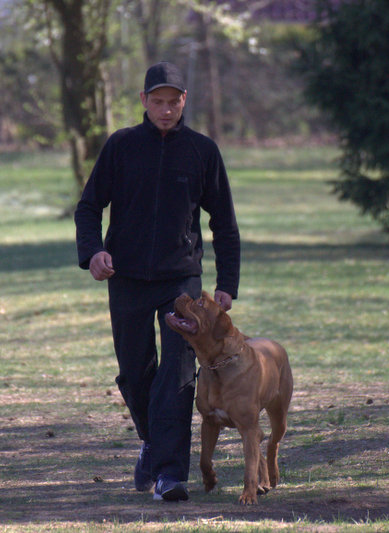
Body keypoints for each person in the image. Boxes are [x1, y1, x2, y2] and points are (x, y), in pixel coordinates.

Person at [74, 61, 240, 502]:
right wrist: (93, 252)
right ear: (144, 101)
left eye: (173, 102)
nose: (166, 110)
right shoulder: (121, 146)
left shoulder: (202, 151)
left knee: (178, 373)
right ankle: (152, 441)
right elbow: (88, 207)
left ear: (184, 101)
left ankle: (170, 474)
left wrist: (227, 282)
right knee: (134, 372)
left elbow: (224, 223)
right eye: (158, 101)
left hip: (181, 281)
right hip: (126, 276)